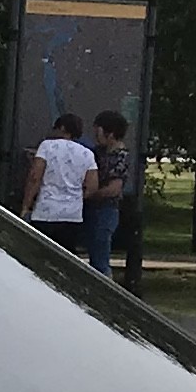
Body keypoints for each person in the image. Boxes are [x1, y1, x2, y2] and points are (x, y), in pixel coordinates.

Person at [20, 113, 93, 251]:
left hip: (46, 211)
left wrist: (26, 206)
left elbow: (35, 178)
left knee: (40, 253)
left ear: (62, 128)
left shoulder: (47, 146)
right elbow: (91, 187)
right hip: (72, 215)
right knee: (65, 254)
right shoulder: (87, 154)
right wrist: (76, 198)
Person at [81, 110, 135, 277]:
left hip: (106, 210)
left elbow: (114, 189)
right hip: (92, 209)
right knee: (93, 251)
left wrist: (89, 194)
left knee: (100, 255)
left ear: (110, 133)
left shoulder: (120, 157)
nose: (96, 137)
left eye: (98, 132)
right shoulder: (98, 152)